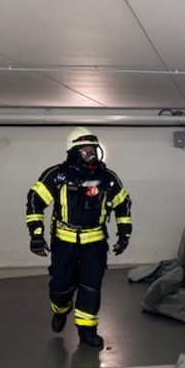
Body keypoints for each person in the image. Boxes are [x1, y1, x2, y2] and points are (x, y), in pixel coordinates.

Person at [25, 127, 132, 348]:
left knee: (90, 287)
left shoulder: (107, 178)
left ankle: (87, 332)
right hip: (64, 243)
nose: (91, 154)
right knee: (60, 287)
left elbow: (123, 205)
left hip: (95, 244)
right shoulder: (57, 176)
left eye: (93, 149)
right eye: (85, 150)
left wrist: (124, 234)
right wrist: (36, 235)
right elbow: (35, 200)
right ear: (73, 152)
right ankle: (60, 309)